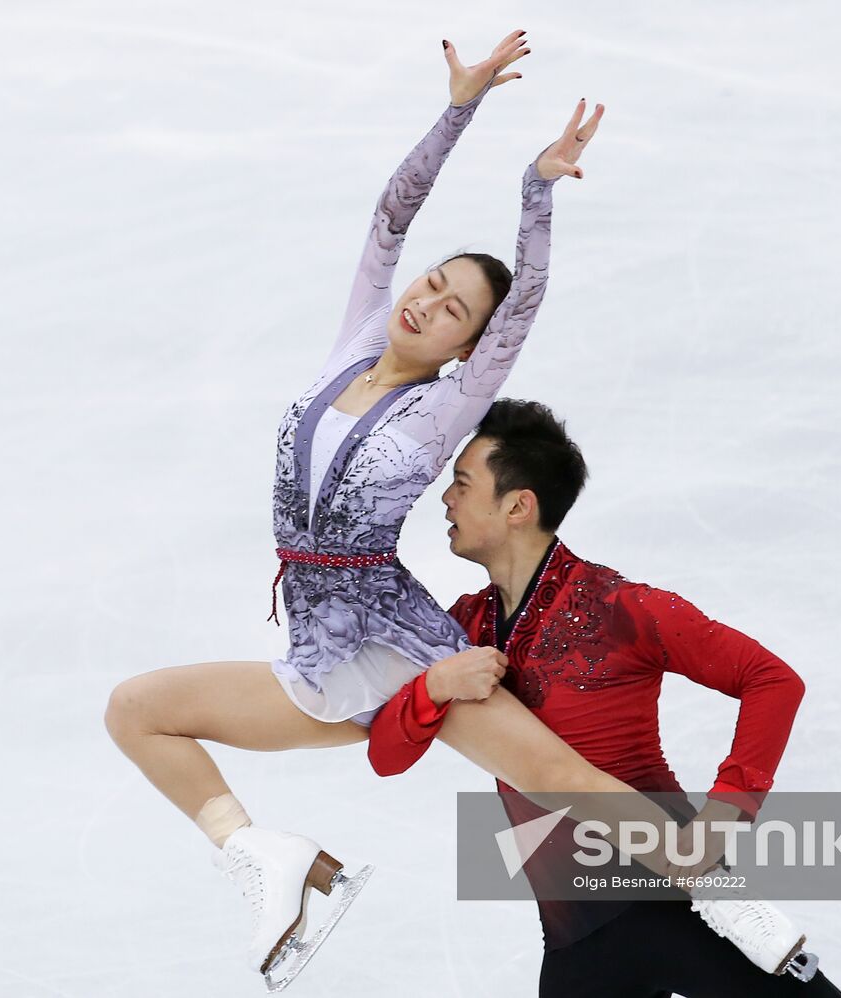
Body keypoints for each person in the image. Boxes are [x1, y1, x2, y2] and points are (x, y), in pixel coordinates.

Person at [103, 30, 623, 985]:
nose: (428, 301)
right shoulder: (353, 338)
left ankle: (734, 907)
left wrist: (536, 191)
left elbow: (527, 298)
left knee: (564, 783)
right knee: (136, 711)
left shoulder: (448, 403)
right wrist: (459, 105)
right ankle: (269, 862)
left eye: (455, 309)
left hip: (397, 645)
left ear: (472, 345)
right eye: (433, 281)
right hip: (315, 644)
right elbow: (392, 214)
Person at [367, 399, 841, 996]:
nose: (446, 499)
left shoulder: (618, 607)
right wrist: (435, 686)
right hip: (577, 942)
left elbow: (773, 681)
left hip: (683, 900)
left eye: (462, 484)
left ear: (519, 506)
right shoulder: (460, 632)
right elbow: (385, 753)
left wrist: (723, 817)